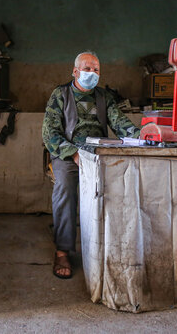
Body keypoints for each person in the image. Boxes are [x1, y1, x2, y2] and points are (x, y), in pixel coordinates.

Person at [42, 51, 140, 279]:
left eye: (96, 70)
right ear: (75, 72)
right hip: (68, 155)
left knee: (114, 190)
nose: (92, 73)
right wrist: (73, 153)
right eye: (87, 69)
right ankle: (62, 251)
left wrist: (142, 136)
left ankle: (106, 246)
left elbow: (121, 123)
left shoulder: (104, 97)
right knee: (65, 189)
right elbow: (49, 133)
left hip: (99, 154)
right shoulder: (61, 95)